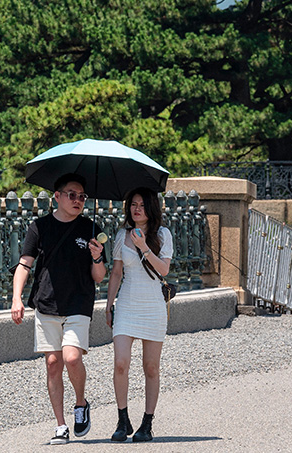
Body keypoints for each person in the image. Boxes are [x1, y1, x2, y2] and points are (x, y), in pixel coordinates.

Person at [11, 174, 106, 445]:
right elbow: (25, 263)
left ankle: (80, 403)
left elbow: (99, 276)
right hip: (46, 302)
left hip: (78, 302)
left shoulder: (90, 228)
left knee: (72, 358)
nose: (78, 201)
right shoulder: (39, 227)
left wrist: (97, 256)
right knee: (53, 364)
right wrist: (16, 298)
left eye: (82, 197)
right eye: (72, 195)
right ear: (57, 196)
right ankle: (61, 426)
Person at [105, 187, 173, 443]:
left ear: (151, 208)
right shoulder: (122, 236)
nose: (136, 209)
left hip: (153, 306)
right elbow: (116, 273)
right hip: (127, 305)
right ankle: (123, 419)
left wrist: (144, 246)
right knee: (121, 363)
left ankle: (147, 423)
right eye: (133, 204)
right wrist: (109, 305)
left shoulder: (163, 234)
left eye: (142, 205)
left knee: (151, 367)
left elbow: (164, 270)